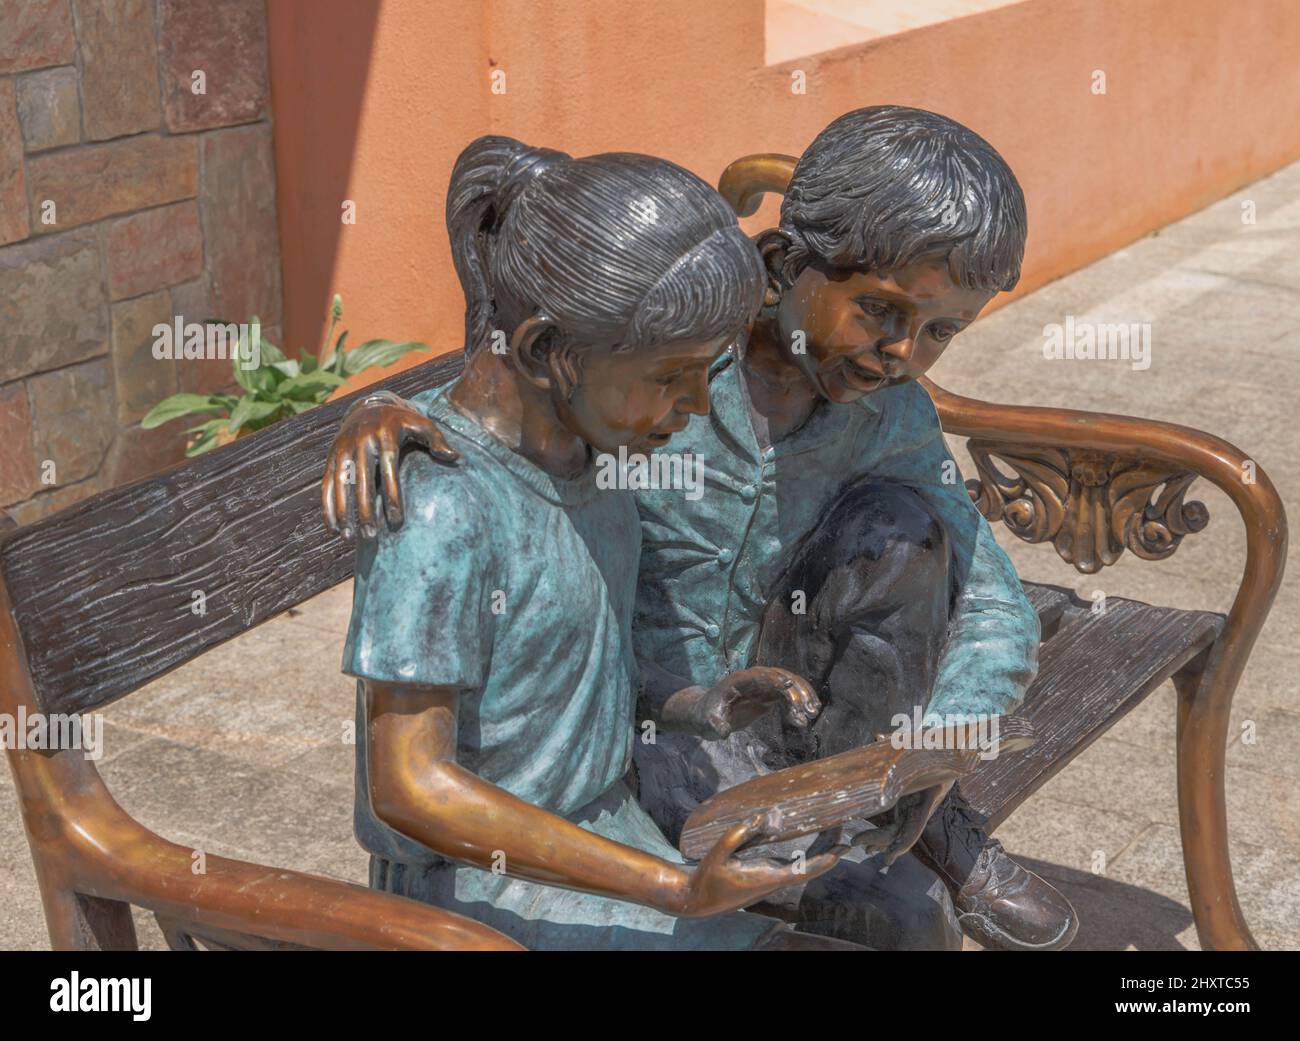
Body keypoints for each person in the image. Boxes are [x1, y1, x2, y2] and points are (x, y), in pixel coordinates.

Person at [328, 108, 1078, 951]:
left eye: (942, 331)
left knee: (906, 534)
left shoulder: (854, 412)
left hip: (745, 731)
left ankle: (898, 810)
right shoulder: (638, 379)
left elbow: (987, 593)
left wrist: (937, 744)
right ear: (785, 266)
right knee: (887, 914)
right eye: (879, 310)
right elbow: (507, 397)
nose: (903, 352)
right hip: (623, 790)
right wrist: (387, 407)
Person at [339, 134, 861, 950]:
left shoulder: (596, 458)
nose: (696, 405)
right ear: (549, 351)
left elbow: (565, 656)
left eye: (708, 372)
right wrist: (674, 886)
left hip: (606, 847)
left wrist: (693, 701)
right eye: (673, 375)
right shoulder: (442, 505)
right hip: (475, 901)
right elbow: (408, 786)